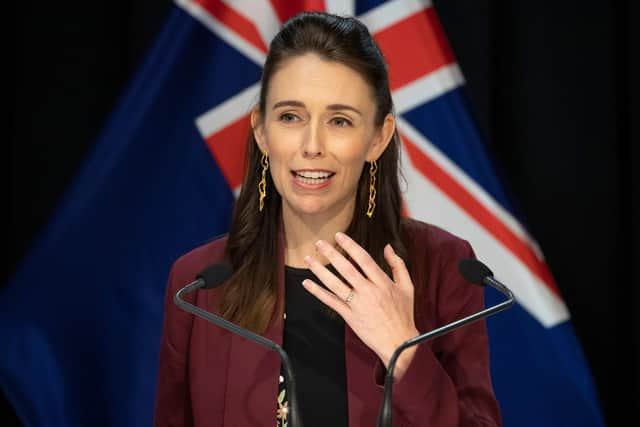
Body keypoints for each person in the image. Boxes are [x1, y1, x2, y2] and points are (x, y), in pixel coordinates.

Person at [153, 11, 501, 427]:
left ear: (378, 137)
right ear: (261, 132)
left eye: (339, 121)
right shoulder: (199, 286)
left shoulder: (443, 267)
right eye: (290, 117)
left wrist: (405, 351)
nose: (312, 145)